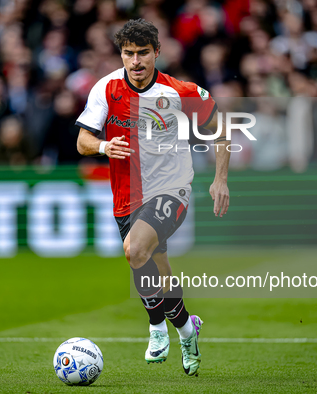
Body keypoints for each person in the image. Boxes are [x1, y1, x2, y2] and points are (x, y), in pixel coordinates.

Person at [76, 19, 230, 376]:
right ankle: (187, 330)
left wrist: (220, 179)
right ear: (121, 55)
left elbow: (221, 130)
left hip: (171, 189)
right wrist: (102, 145)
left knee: (134, 249)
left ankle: (156, 327)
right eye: (128, 53)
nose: (136, 61)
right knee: (156, 273)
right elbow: (82, 142)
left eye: (143, 53)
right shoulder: (106, 88)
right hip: (126, 198)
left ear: (157, 53)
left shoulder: (181, 92)